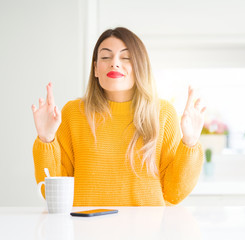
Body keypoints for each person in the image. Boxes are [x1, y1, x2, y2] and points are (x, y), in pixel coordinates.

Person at [31, 27, 206, 206]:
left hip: (146, 231)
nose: (114, 63)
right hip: (85, 230)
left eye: (126, 57)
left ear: (140, 67)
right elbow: (50, 192)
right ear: (96, 69)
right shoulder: (73, 113)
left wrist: (190, 142)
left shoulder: (163, 113)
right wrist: (46, 139)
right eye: (105, 57)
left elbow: (174, 193)